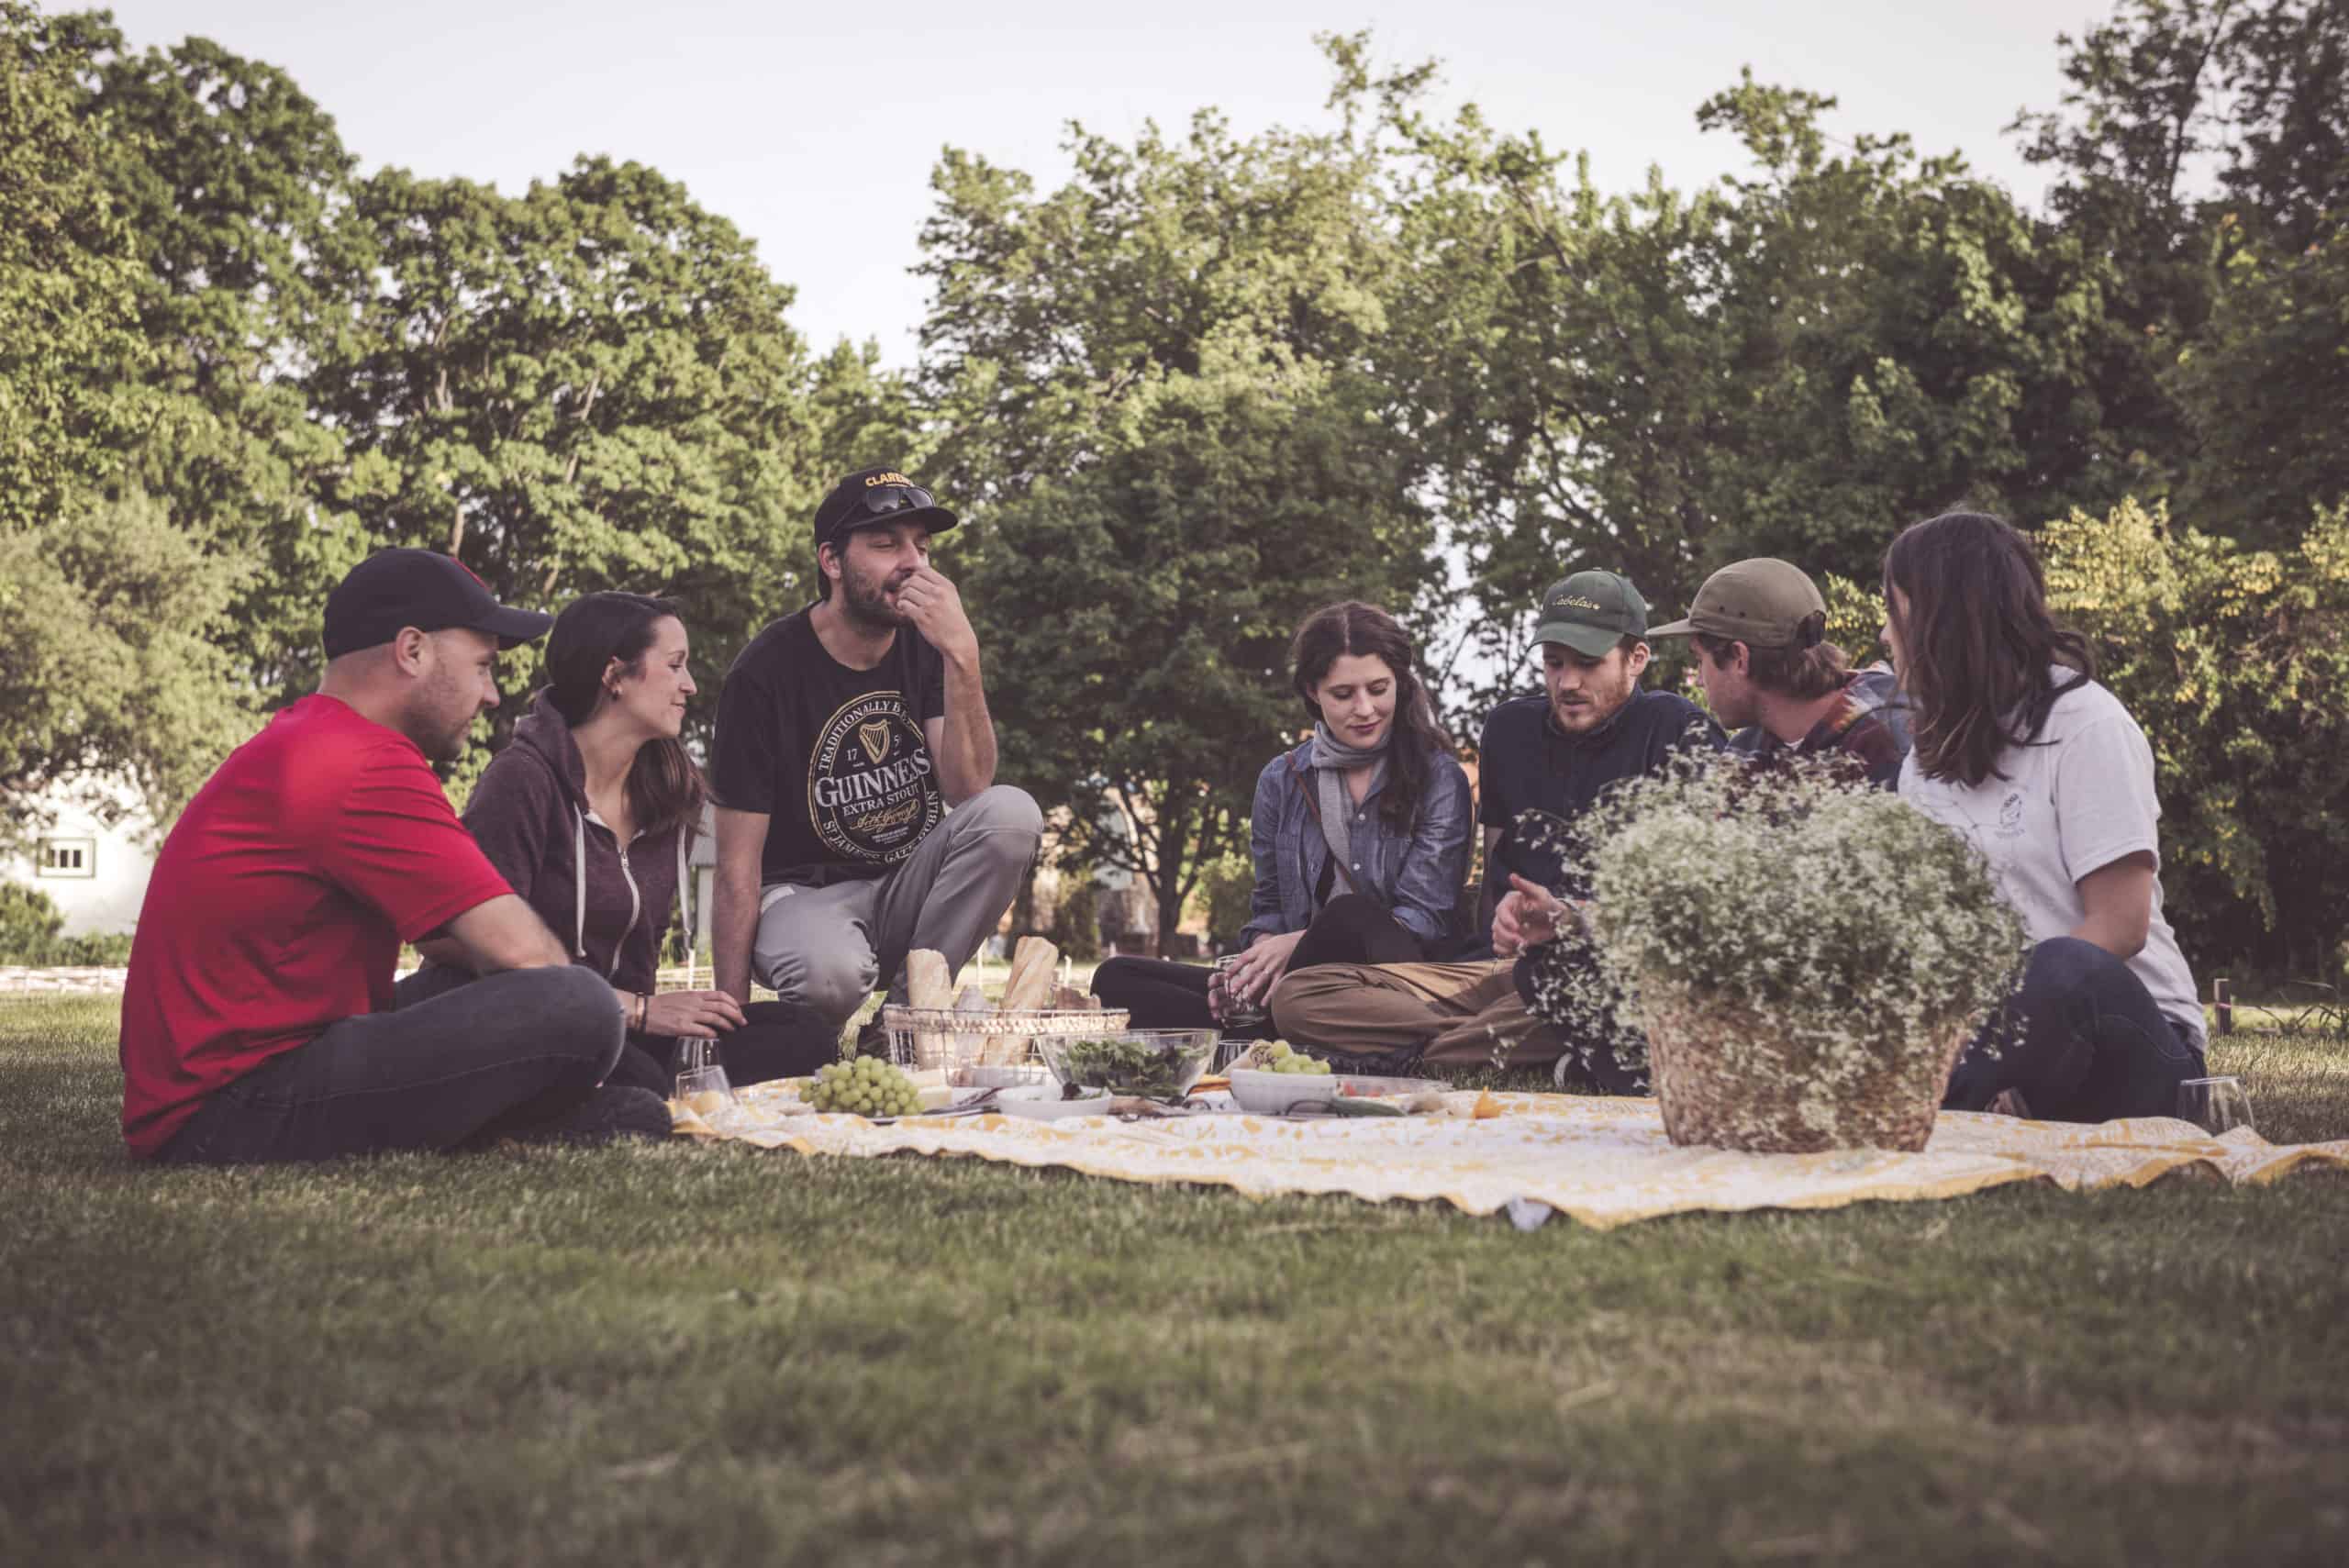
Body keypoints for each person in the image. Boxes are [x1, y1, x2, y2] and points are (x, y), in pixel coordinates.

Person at [120, 549, 665, 1165]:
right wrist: (615, 1021)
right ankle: (525, 1118)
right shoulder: (363, 763)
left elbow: (469, 949)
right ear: (412, 650)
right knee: (579, 1005)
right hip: (228, 1111)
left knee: (480, 985)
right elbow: (527, 954)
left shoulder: (313, 738)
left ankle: (527, 1119)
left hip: (246, 1076)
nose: (491, 695)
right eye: (483, 666)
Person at [1270, 571, 1720, 1075]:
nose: (1567, 682)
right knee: (1298, 996)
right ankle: (1496, 1049)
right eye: (1554, 664)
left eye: (1588, 665)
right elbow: (1494, 877)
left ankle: (1425, 1053)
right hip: (1491, 975)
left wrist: (1572, 918)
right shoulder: (1510, 729)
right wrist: (1501, 925)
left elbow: (1691, 910)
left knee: (1607, 1000)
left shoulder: (1679, 730)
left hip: (1593, 972)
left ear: (1636, 659)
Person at [411, 594, 834, 1092]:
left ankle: (652, 1079)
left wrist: (674, 1014)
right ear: (615, 676)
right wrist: (629, 1009)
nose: (690, 686)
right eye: (675, 666)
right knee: (636, 1075)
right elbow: (446, 937)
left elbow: (644, 957)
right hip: (521, 1020)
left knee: (803, 1034)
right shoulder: (523, 779)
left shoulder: (669, 790)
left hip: (625, 1025)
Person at [1884, 512, 2207, 1122]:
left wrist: (1988, 1032)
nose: (1884, 634)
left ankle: (1933, 1118)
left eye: (1894, 610)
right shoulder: (1922, 767)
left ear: (1944, 619)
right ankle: (1977, 1103)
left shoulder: (2088, 726)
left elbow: (2120, 926)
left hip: (2132, 1042)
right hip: (2000, 1050)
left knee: (2060, 964)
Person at [708, 467, 1042, 1045]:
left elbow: (969, 792)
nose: (912, 562)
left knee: (1012, 814)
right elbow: (736, 867)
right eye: (887, 545)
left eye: (922, 546)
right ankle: (810, 1040)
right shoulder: (764, 672)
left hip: (905, 886)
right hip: (802, 898)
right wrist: (729, 1024)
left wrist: (964, 656)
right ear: (832, 562)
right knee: (829, 975)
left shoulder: (929, 643)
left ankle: (900, 1029)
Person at [1090, 602, 1474, 1031]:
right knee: (1117, 978)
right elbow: (1269, 906)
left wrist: (1304, 944)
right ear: (1313, 691)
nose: (1365, 709)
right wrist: (1257, 967)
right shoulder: (1282, 779)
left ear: (1399, 683)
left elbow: (1423, 920)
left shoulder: (1439, 778)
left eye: (1378, 689)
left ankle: (1289, 1022)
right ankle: (1273, 1020)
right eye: (1343, 695)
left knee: (1349, 915)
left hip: (1395, 979)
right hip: (1299, 978)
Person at [1644, 557, 1911, 788]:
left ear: (1739, 658)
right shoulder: (1746, 752)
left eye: (1700, 660)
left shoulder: (1892, 740)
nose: (1700, 680)